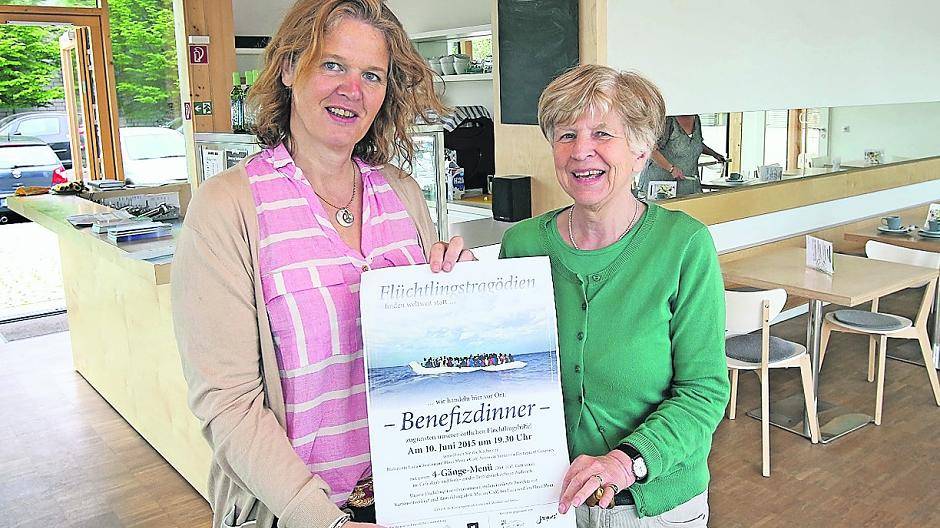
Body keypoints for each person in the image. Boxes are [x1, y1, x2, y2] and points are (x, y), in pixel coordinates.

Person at [171, 2, 472, 528]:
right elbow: (228, 403)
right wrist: (321, 520)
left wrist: (461, 293)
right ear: (289, 68)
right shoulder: (229, 208)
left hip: (413, 500)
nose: (351, 90)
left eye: (371, 75)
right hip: (296, 513)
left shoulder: (403, 194)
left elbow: (430, 355)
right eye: (333, 65)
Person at [499, 64, 729, 527]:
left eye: (603, 133)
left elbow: (703, 392)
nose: (581, 150)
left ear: (642, 150)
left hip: (653, 506)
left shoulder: (684, 245)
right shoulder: (521, 246)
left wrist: (625, 462)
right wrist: (449, 288)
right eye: (565, 135)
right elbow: (501, 371)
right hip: (544, 504)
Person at [637, 114, 726, 197]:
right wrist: (671, 168)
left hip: (689, 186)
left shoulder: (696, 119)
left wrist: (714, 154)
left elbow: (695, 144)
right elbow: (651, 149)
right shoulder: (668, 120)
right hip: (662, 185)